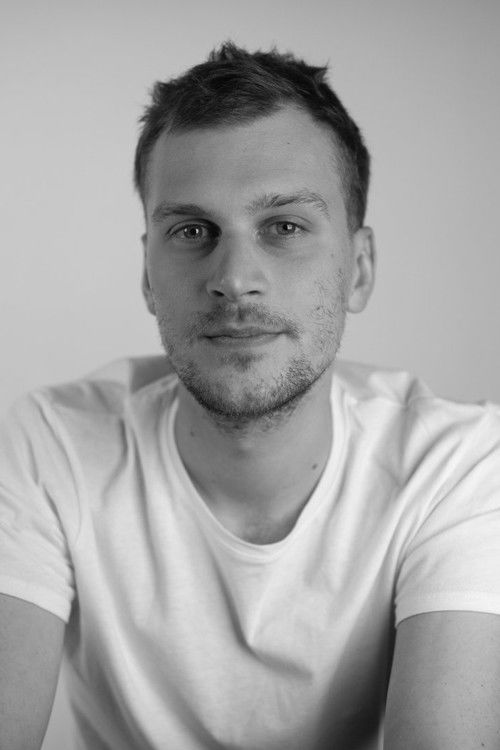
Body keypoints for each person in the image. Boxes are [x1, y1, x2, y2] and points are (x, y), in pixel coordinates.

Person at [1, 41, 500, 750]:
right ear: (147, 276)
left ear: (359, 269)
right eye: (192, 231)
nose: (235, 278)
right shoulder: (50, 446)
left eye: (285, 227)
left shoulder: (456, 466)